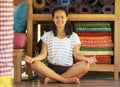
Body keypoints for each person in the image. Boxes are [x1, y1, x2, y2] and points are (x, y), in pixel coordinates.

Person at [24, 6, 97, 84]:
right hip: (51, 69)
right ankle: (65, 80)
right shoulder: (47, 36)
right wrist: (33, 59)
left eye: (62, 17)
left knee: (86, 65)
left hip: (69, 69)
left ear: (67, 18)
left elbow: (77, 54)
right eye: (57, 17)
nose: (59, 20)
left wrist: (87, 59)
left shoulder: (73, 36)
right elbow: (43, 54)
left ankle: (53, 80)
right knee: (34, 64)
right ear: (53, 19)